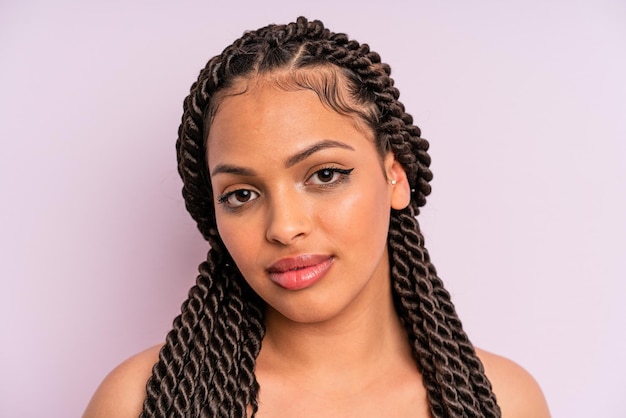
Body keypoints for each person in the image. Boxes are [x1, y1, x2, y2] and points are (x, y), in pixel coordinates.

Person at [83, 16, 550, 418]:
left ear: (396, 176)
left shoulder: (504, 401)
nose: (285, 227)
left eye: (325, 174)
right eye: (241, 194)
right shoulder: (139, 402)